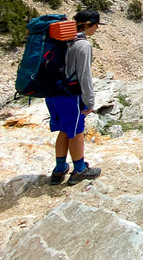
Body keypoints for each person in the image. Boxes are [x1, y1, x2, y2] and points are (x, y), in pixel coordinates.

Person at [47, 10, 103, 185]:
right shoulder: (83, 45)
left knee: (65, 128)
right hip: (70, 94)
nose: (96, 29)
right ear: (88, 24)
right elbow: (84, 75)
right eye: (96, 25)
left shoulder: (61, 40)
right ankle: (79, 169)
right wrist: (90, 100)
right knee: (77, 131)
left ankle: (59, 169)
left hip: (53, 92)